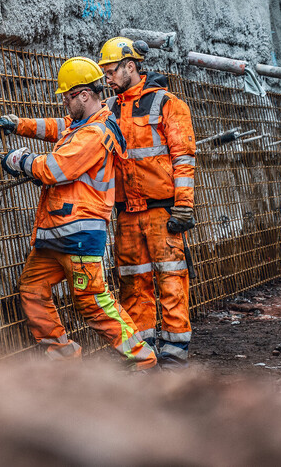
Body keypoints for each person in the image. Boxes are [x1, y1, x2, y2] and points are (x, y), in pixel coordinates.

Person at [0, 57, 157, 370]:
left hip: (79, 237)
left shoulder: (94, 134)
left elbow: (58, 168)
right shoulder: (81, 124)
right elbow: (57, 127)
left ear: (83, 95)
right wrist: (20, 125)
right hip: (56, 236)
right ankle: (63, 358)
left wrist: (20, 160)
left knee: (93, 303)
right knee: (32, 289)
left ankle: (143, 358)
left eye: (67, 98)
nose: (65, 104)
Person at [98, 37, 196, 368]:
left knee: (171, 279)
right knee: (132, 284)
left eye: (111, 71)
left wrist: (183, 205)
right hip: (127, 214)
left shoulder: (168, 104)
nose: (108, 79)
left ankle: (175, 357)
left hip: (162, 210)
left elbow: (183, 157)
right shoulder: (108, 110)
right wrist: (25, 128)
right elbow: (72, 128)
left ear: (131, 66)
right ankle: (145, 355)